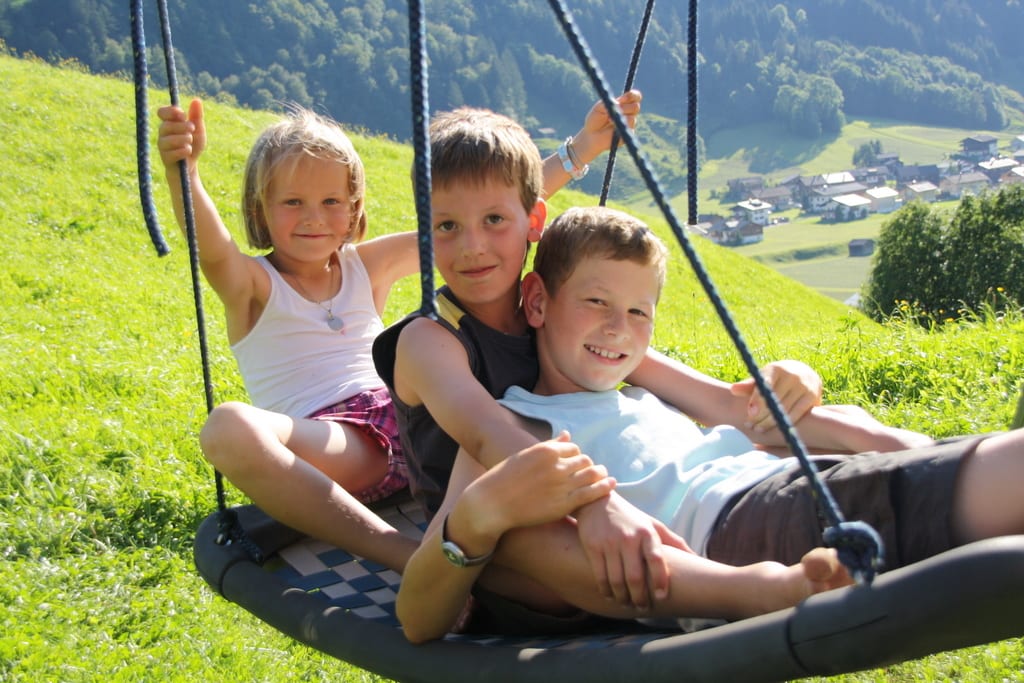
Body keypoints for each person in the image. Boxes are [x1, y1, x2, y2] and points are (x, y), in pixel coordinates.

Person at [396, 205, 1024, 642]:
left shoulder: (641, 390)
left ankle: (937, 452)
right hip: (743, 521)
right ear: (538, 301)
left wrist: (810, 391)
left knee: (901, 443)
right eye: (596, 302)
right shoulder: (518, 424)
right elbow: (431, 587)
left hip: (783, 481)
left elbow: (750, 412)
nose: (618, 329)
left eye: (639, 313)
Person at [156, 92, 643, 572]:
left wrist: (583, 148)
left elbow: (485, 213)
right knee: (228, 428)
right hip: (338, 444)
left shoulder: (366, 265)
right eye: (293, 202)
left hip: (414, 423)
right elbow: (212, 248)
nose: (313, 217)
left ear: (354, 207)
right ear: (260, 208)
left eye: (331, 201)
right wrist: (185, 172)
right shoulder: (253, 287)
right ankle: (401, 554)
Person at [371, 107, 829, 618]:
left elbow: (715, 399)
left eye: (494, 221)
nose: (472, 247)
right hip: (487, 537)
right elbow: (486, 436)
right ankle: (750, 592)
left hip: (594, 507)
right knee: (529, 535)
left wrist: (795, 377)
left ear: (532, 224)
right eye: (446, 226)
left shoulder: (560, 319)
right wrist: (595, 504)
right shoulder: (429, 339)